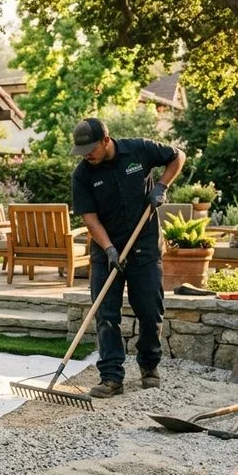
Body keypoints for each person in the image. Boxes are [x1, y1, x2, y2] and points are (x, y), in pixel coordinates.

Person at [70, 118, 185, 399]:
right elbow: (89, 218)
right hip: (106, 250)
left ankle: (149, 367)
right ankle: (111, 377)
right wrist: (109, 249)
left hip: (144, 247)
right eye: (82, 150)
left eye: (91, 149)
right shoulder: (83, 174)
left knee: (149, 311)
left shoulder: (139, 150)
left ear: (106, 141)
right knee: (106, 315)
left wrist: (161, 185)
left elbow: (177, 156)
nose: (87, 155)